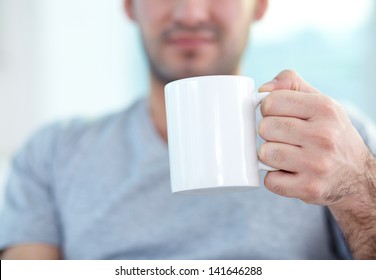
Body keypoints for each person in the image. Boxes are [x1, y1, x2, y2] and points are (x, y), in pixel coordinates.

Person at [1, 0, 376, 260]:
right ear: (130, 6)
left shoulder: (339, 141)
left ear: (258, 6)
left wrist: (358, 188)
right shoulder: (52, 153)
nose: (192, 13)